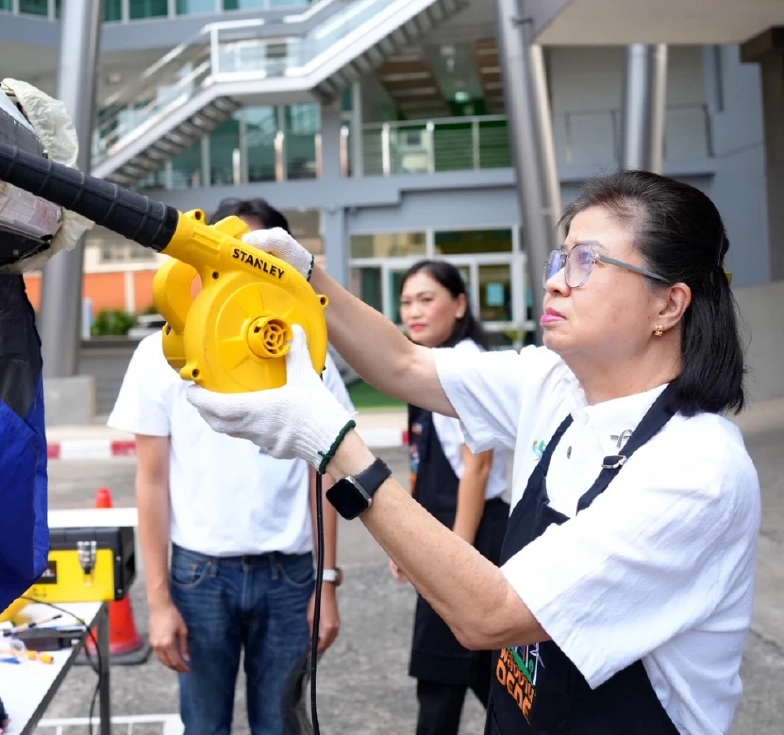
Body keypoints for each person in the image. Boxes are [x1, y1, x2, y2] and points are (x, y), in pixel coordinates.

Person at [184, 171, 760, 735]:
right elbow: (403, 363)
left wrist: (333, 445)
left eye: (587, 262)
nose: (557, 281)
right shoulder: (554, 384)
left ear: (668, 305)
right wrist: (305, 277)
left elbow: (493, 613)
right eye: (560, 261)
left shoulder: (697, 468)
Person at [107, 197, 355, 735]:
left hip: (291, 576)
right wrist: (160, 602)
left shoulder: (302, 350)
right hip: (200, 576)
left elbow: (327, 471)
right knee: (204, 726)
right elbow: (151, 482)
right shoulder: (160, 353)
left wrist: (326, 583)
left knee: (281, 724)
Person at [393, 260, 510, 735]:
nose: (414, 312)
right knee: (490, 675)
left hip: (472, 535)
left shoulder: (461, 367)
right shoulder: (432, 363)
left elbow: (476, 469)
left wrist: (446, 557)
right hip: (449, 531)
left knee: (443, 675)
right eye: (406, 302)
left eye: (426, 299)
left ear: (459, 304)